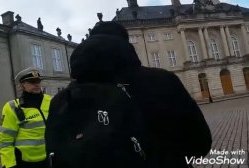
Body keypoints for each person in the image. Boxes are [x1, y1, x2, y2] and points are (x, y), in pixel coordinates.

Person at [49, 21, 212, 168]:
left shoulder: (60, 99)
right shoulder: (162, 82)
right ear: (124, 45)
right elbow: (200, 142)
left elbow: (54, 152)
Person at [0, 67, 51, 168]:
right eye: (32, 82)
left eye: (38, 81)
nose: (37, 84)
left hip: (50, 160)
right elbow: (5, 141)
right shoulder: (12, 107)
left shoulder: (50, 101)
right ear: (22, 85)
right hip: (25, 163)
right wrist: (9, 165)